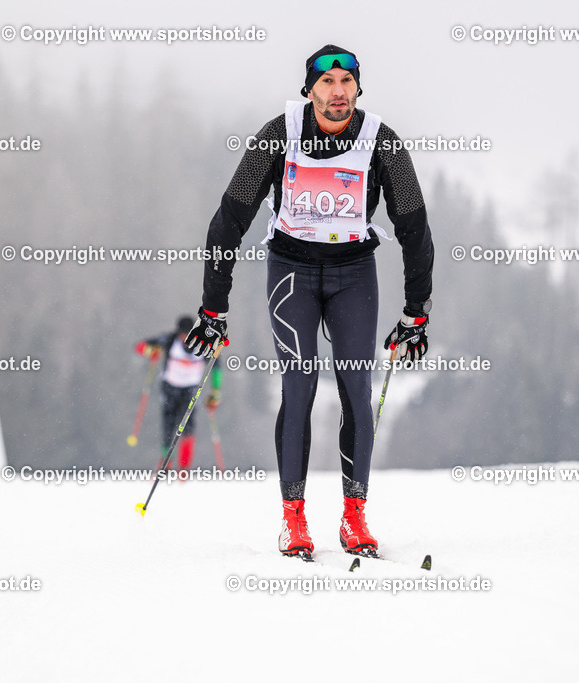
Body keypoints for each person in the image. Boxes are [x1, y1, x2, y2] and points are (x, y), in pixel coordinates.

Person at [183, 45, 434, 558]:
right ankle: (294, 519)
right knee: (297, 390)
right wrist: (214, 306)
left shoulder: (381, 141)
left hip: (353, 273)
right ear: (310, 89)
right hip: (291, 273)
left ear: (358, 88)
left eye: (347, 81)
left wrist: (416, 312)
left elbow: (415, 230)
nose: (337, 92)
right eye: (327, 83)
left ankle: (354, 516)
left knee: (354, 392)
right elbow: (229, 219)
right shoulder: (279, 135)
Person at [136, 316, 222, 470]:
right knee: (168, 426)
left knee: (187, 428)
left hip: (191, 390)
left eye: (188, 335)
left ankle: (184, 467)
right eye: (182, 335)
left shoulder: (203, 344)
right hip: (170, 388)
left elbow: (216, 366)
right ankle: (166, 463)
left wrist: (215, 392)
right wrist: (150, 351)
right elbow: (140, 347)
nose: (185, 339)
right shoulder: (169, 340)